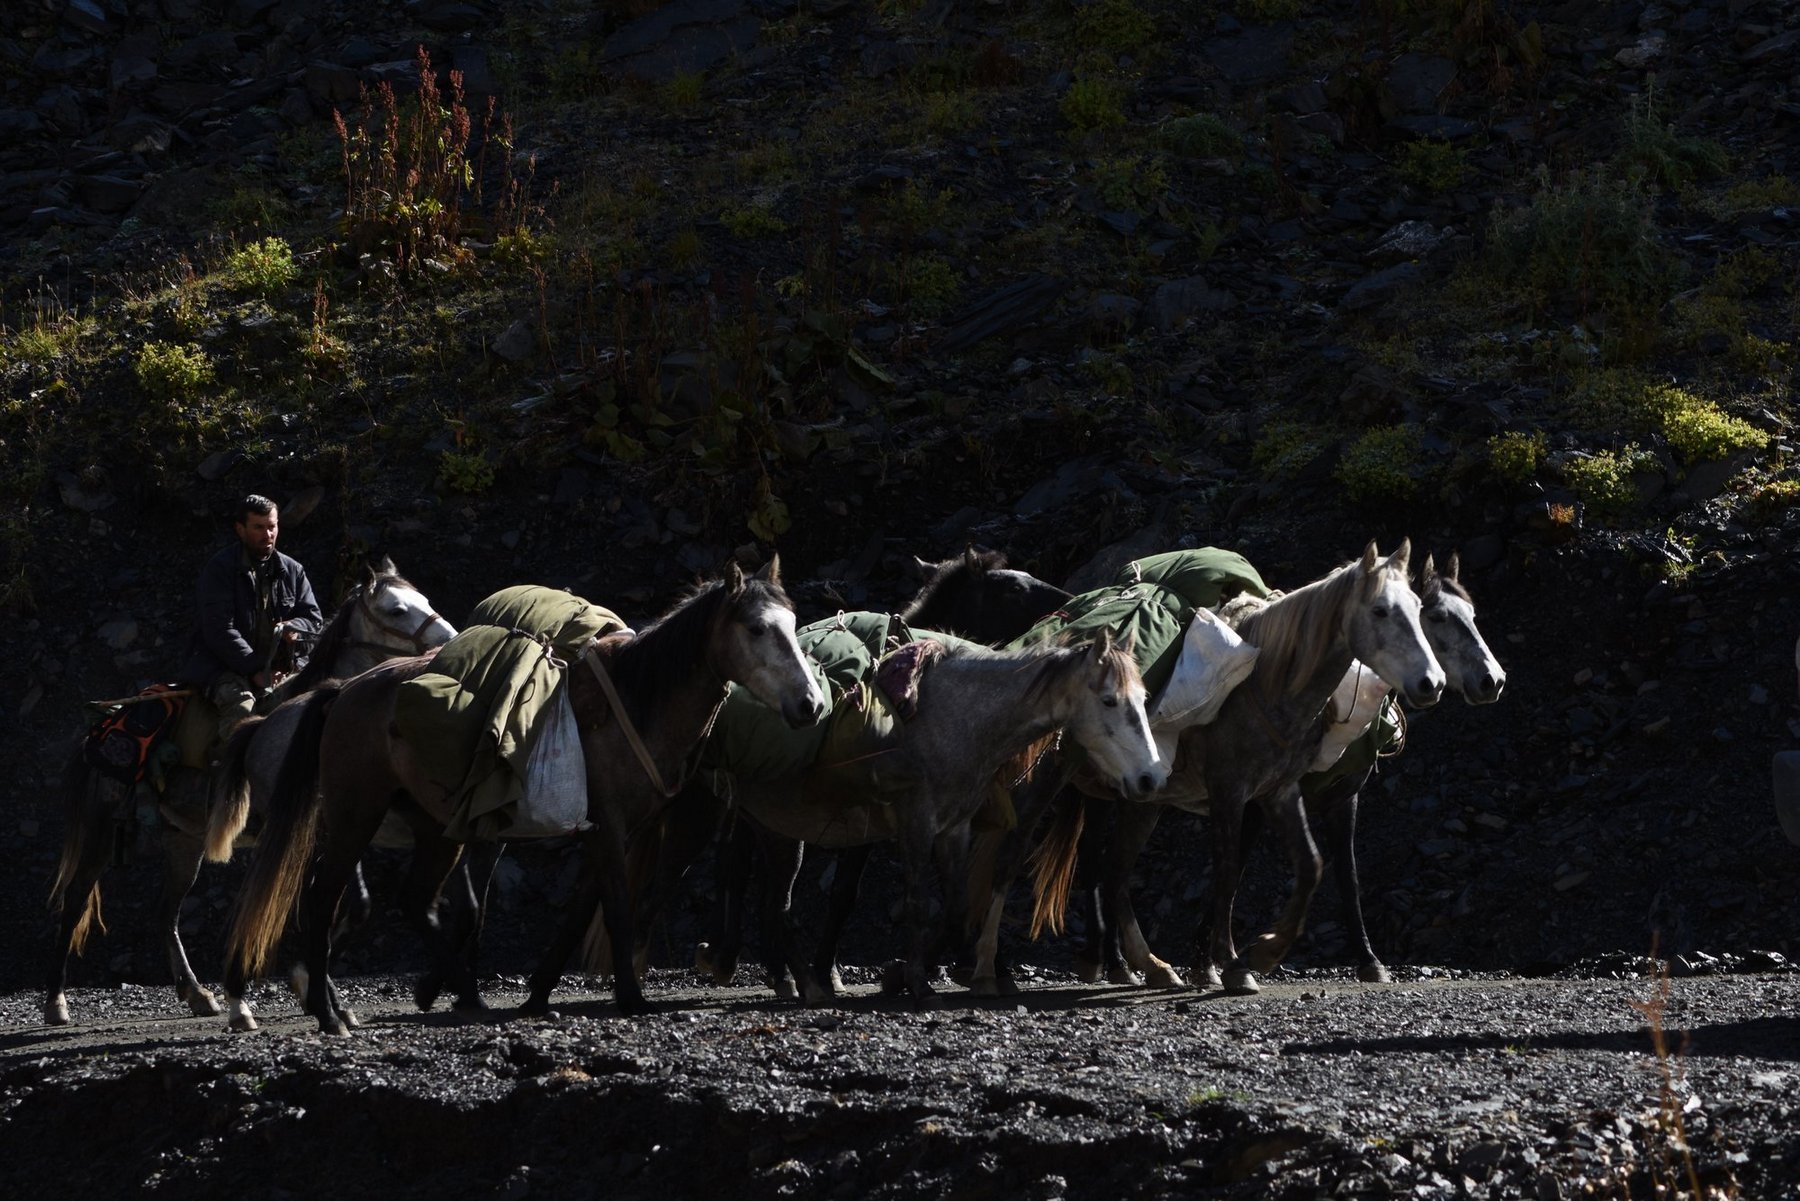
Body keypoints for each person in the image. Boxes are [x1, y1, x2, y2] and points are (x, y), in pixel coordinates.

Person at [178, 494, 323, 742]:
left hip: (281, 667)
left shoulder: (293, 570)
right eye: (258, 527)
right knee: (242, 710)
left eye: (272, 526)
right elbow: (219, 629)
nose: (268, 534)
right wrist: (255, 669)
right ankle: (229, 765)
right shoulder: (220, 569)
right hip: (223, 666)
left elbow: (313, 621)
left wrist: (295, 628)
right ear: (240, 529)